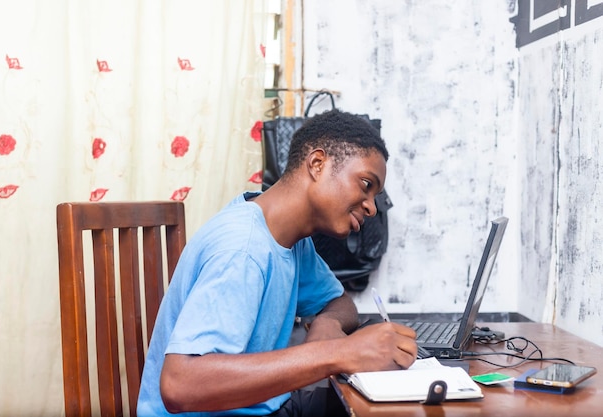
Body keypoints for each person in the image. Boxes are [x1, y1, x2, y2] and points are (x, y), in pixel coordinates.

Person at [137, 109, 419, 416]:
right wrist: (335, 353)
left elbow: (339, 302)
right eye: (366, 184)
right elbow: (180, 385)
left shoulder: (291, 236)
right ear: (317, 164)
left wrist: (328, 323)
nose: (372, 208)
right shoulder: (243, 249)